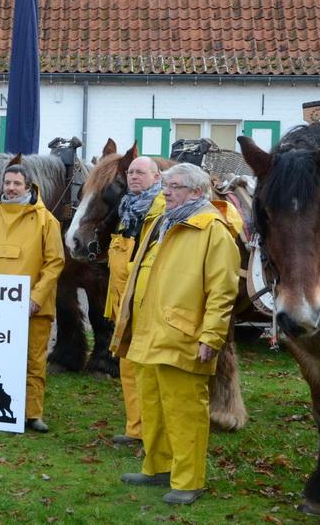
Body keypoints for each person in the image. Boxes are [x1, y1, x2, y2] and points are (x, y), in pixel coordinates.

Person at [113, 163, 241, 505]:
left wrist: (211, 338)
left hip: (182, 336)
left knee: (185, 413)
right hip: (147, 333)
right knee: (152, 407)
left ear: (197, 192)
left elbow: (223, 291)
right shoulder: (161, 222)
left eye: (175, 186)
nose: (166, 191)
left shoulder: (214, 230)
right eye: (166, 185)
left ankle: (189, 481)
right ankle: (157, 467)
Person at [0, 164, 64, 433]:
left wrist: (36, 298)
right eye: (7, 183)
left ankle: (33, 413)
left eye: (16, 184)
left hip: (32, 309)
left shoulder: (47, 221)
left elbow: (55, 263)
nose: (10, 188)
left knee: (33, 360)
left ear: (29, 186)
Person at [106, 156, 165, 446]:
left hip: (147, 303)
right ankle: (135, 428)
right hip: (123, 302)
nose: (133, 177)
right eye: (130, 172)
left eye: (140, 172)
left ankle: (152, 432)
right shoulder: (127, 207)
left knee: (148, 371)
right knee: (127, 368)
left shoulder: (162, 211)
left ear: (157, 177)